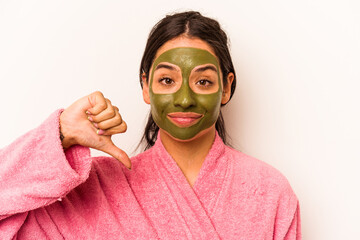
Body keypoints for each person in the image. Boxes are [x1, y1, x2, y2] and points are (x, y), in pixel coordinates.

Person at [0, 11, 301, 239]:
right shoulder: (96, 189)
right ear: (146, 85)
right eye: (167, 80)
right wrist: (61, 135)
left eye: (204, 81)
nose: (185, 99)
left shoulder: (269, 192)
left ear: (226, 87)